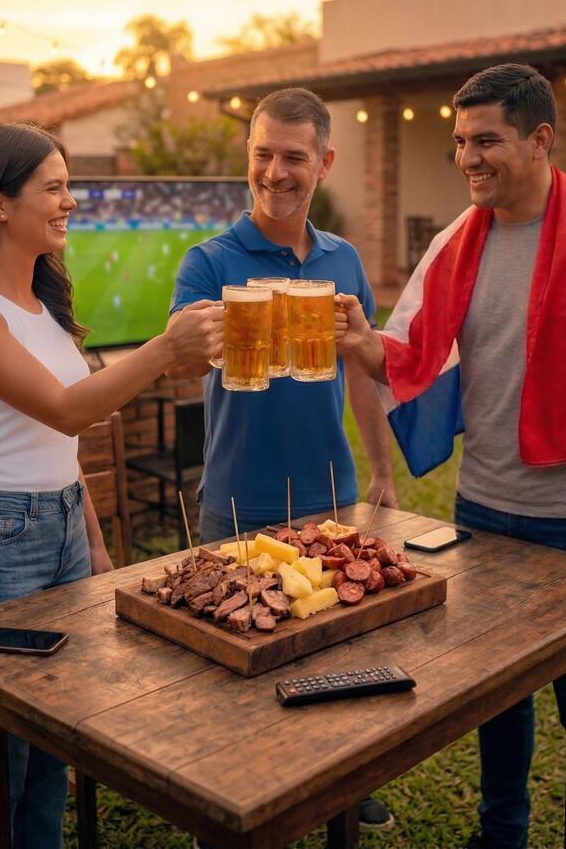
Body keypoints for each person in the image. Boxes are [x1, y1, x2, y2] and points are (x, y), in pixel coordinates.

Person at [335, 63, 566, 849]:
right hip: (482, 512)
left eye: (486, 140)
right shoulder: (456, 243)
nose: (468, 157)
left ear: (540, 139)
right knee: (497, 699)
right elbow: (413, 357)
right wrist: (361, 344)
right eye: (458, 141)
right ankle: (499, 834)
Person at [0, 122, 223, 849]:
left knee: (53, 745)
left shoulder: (47, 307)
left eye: (67, 185)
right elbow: (65, 409)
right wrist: (162, 350)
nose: (68, 201)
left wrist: (91, 545)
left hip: (57, 529)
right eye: (52, 187)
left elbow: (60, 443)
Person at [169, 86, 399, 837]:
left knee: (333, 659)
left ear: (323, 163)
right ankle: (233, 799)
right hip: (237, 499)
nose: (275, 171)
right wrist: (196, 334)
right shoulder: (209, 261)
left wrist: (383, 471)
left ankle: (338, 784)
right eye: (262, 154)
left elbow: (363, 371)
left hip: (331, 497)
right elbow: (176, 356)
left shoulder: (344, 260)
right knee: (234, 670)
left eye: (293, 157)